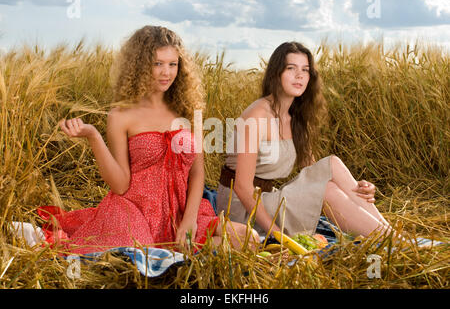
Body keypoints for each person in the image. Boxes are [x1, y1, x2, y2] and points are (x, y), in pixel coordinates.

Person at [14, 25, 258, 254]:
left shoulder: (187, 110)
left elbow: (197, 173)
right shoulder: (121, 115)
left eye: (173, 64)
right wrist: (93, 137)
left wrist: (190, 220)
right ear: (140, 66)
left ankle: (183, 250)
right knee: (143, 254)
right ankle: (175, 254)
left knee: (247, 239)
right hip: (135, 213)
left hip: (182, 210)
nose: (167, 72)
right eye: (158, 63)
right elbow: (120, 185)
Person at [216, 41, 394, 240]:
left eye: (305, 70)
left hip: (268, 197)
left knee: (332, 168)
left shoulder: (296, 117)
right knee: (326, 190)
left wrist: (358, 189)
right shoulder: (257, 114)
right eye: (291, 68)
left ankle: (391, 235)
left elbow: (315, 171)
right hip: (243, 210)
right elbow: (242, 188)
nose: (299, 75)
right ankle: (391, 240)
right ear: (276, 74)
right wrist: (277, 233)